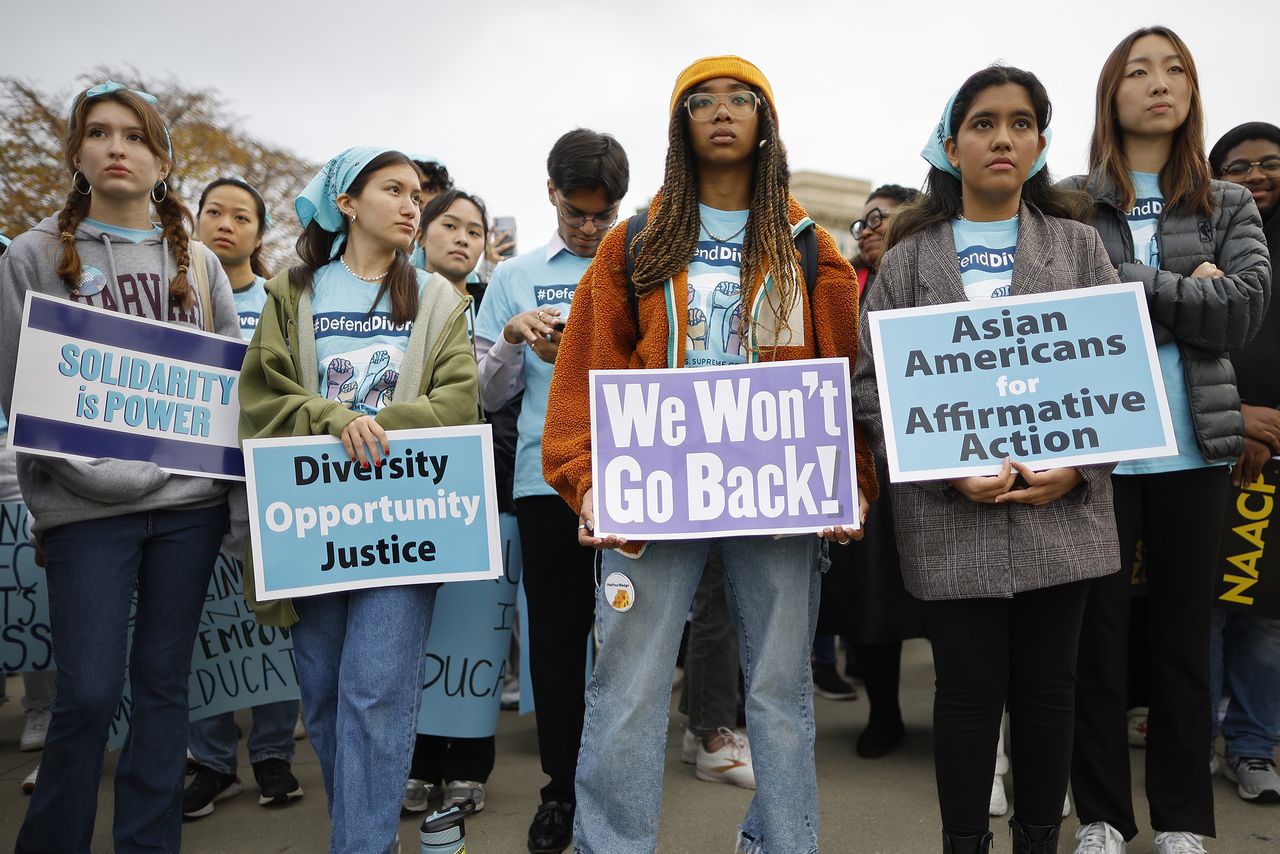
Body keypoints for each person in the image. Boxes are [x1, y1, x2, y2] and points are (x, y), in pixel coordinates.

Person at [542, 55, 876, 854]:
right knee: (627, 689)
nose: (722, 111)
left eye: (740, 99)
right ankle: (611, 846)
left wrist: (850, 484)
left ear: (766, 124)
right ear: (678, 126)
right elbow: (583, 373)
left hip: (778, 491)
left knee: (779, 691)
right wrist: (586, 482)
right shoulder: (636, 242)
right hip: (652, 490)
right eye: (701, 101)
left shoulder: (811, 249)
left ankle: (783, 843)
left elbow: (846, 379)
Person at [854, 65, 1124, 854]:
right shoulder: (906, 261)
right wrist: (943, 468)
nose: (1001, 137)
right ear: (951, 144)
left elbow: (1115, 377)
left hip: (1062, 513)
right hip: (948, 515)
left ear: (1040, 143)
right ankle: (964, 843)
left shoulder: (1077, 249)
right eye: (981, 122)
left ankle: (1039, 840)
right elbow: (871, 389)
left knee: (1049, 693)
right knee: (967, 695)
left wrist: (1080, 467)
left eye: (1019, 122)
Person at [0, 81, 239, 852]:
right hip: (82, 512)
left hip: (188, 511)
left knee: (164, 688)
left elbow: (230, 388)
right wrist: (88, 476)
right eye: (98, 133)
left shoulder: (198, 262)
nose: (115, 147)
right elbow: (20, 393)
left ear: (163, 159)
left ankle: (148, 843)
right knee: (89, 695)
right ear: (76, 153)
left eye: (134, 136)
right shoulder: (30, 256)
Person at [237, 147, 479, 854]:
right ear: (346, 202)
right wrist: (338, 420)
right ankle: (367, 834)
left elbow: (459, 403)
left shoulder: (439, 298)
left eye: (417, 193)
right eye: (393, 190)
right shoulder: (293, 291)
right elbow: (262, 396)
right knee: (326, 697)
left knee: (374, 694)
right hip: (313, 530)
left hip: (402, 527)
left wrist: (378, 426)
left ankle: (362, 846)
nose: (413, 205)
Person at [1066, 27, 1271, 854]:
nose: (1160, 83)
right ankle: (1104, 819)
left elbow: (1245, 311)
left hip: (1196, 449)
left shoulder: (1229, 202)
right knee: (1096, 643)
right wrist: (1191, 289)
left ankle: (1184, 822)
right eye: (1139, 70)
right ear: (1112, 93)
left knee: (1185, 642)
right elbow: (1071, 305)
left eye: (1175, 69)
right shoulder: (1072, 202)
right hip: (1099, 452)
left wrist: (1136, 289)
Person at [473, 128, 629, 854]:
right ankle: (560, 789)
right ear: (551, 195)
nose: (592, 228)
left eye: (605, 214)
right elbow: (486, 390)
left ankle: (622, 784)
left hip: (637, 476)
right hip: (547, 482)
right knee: (558, 644)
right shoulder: (515, 275)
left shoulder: (642, 265)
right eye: (576, 214)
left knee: (635, 641)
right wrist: (511, 337)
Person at [183, 177, 304, 818]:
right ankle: (210, 761)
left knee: (273, 618)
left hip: (267, 485)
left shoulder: (282, 299)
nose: (225, 225)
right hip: (192, 488)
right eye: (213, 212)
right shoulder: (171, 298)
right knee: (209, 623)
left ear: (260, 234)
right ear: (195, 219)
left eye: (242, 217)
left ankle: (274, 755)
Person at [402, 188, 504, 815]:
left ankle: (467, 765)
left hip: (477, 484)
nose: (463, 238)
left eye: (475, 230)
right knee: (412, 624)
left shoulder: (492, 305)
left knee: (471, 629)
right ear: (420, 233)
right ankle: (412, 761)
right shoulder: (388, 301)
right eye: (450, 225)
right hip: (401, 487)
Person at [836, 183, 928, 759]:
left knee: (945, 598)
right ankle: (884, 714)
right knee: (870, 597)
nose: (866, 228)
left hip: (931, 457)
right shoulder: (843, 289)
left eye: (880, 217)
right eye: (861, 221)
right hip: (868, 461)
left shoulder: (936, 275)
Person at [1205, 121, 1280, 806]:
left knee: (1264, 616)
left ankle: (1254, 748)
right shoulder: (1204, 241)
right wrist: (1238, 418)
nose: (1256, 176)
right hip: (1214, 453)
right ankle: (1193, 738)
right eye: (1238, 166)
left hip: (1278, 462)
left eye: (1269, 164)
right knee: (1204, 607)